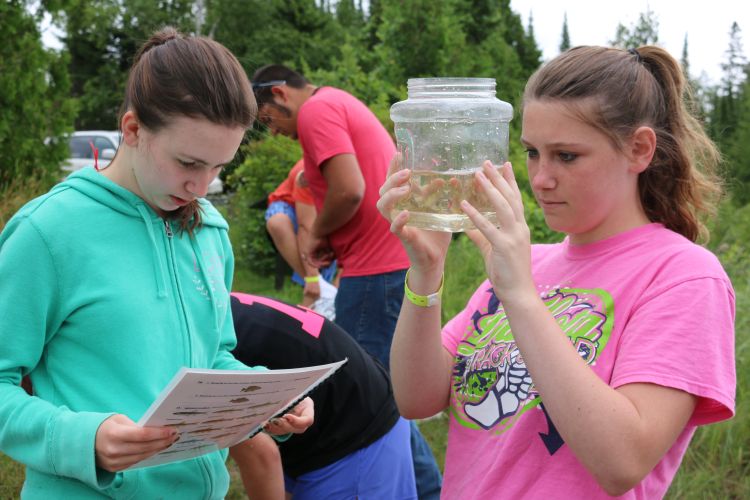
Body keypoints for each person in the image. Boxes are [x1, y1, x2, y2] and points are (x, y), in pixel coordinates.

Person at [378, 45, 736, 498]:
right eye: (531, 152)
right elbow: (415, 399)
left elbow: (622, 461)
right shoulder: (531, 265)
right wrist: (427, 272)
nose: (541, 178)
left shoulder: (683, 276)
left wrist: (521, 297)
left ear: (640, 150)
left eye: (566, 156)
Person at [0, 27, 312, 499]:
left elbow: (211, 358)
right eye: (188, 163)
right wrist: (83, 440)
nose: (202, 188)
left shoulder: (209, 231)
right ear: (132, 130)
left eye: (218, 167)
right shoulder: (48, 232)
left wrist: (261, 398)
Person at [251, 65, 443, 498]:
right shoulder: (335, 101)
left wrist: (316, 233)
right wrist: (336, 240)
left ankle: (429, 491)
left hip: (376, 272)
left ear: (280, 93)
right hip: (383, 264)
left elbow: (350, 190)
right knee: (383, 397)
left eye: (269, 119)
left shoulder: (317, 111)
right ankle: (432, 490)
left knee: (371, 403)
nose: (275, 132)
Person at [228, 292, 417, 499]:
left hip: (357, 430)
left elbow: (261, 459)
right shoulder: (204, 307)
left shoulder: (199, 354)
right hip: (335, 404)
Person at [265, 158, 338, 317]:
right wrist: (312, 278)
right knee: (278, 222)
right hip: (289, 207)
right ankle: (321, 291)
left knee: (322, 294)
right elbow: (307, 227)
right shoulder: (307, 173)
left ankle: (324, 296)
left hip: (323, 214)